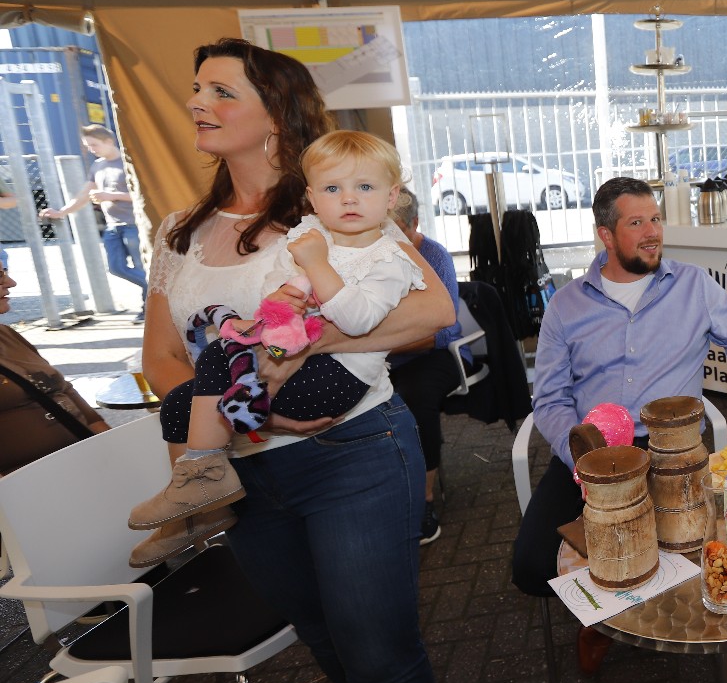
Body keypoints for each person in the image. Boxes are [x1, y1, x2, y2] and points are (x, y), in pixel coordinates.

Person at [140, 39, 452, 683]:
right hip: (241, 469)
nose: (197, 103)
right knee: (319, 633)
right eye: (196, 88)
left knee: (376, 647)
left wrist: (298, 359)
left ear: (275, 113)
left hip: (353, 452)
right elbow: (162, 356)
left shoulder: (339, 206)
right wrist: (246, 416)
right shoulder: (180, 230)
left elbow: (431, 314)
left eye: (220, 91)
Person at [510, 177, 727, 671]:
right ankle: (603, 613)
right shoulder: (566, 306)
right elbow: (550, 398)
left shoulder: (693, 286)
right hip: (595, 456)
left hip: (674, 453)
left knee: (694, 544)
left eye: (656, 219)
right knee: (532, 565)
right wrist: (580, 459)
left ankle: (642, 606)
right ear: (605, 234)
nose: (652, 232)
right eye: (636, 222)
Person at [130, 131, 426, 567]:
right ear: (313, 197)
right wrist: (279, 300)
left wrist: (316, 266)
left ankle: (204, 480)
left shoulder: (387, 256)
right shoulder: (313, 233)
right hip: (295, 362)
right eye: (332, 189)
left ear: (391, 196)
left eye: (364, 187)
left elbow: (358, 318)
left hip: (337, 381)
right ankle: (198, 495)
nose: (348, 199)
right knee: (181, 399)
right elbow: (285, 285)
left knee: (217, 363)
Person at [386, 189, 464, 546]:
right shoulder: (374, 257)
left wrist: (383, 345)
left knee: (415, 399)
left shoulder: (434, 256)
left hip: (434, 356)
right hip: (387, 357)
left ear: (414, 223)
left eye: (396, 229)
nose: (389, 238)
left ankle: (425, 499)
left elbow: (444, 332)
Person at [1, 256, 109, 476]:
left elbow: (64, 390)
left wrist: (111, 446)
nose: (11, 283)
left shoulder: (7, 334)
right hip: (28, 481)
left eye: (5, 272)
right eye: (0, 276)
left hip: (84, 457)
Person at [42, 125, 147, 320]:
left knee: (141, 268)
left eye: (94, 145)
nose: (91, 149)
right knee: (116, 268)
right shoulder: (98, 166)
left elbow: (144, 195)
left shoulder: (128, 163)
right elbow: (84, 194)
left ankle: (148, 308)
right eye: (87, 146)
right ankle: (158, 289)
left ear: (109, 141)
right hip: (113, 226)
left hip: (134, 225)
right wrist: (62, 212)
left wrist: (111, 195)